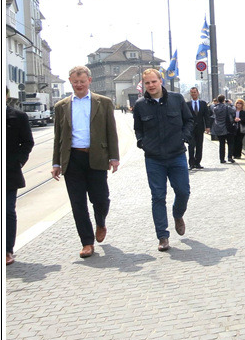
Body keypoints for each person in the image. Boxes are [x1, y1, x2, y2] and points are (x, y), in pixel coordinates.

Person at [51, 66, 120, 258]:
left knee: (101, 199)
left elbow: (111, 131)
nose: (79, 85)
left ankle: (100, 222)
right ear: (70, 82)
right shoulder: (61, 106)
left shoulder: (103, 102)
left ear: (89, 81)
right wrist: (56, 163)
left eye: (82, 81)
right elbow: (58, 137)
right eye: (75, 82)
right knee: (78, 203)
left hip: (96, 157)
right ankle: (87, 242)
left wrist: (114, 157)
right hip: (72, 159)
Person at [133, 68, 193, 252]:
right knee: (158, 197)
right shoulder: (140, 105)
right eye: (147, 83)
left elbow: (189, 121)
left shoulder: (177, 99)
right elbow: (138, 129)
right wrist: (142, 143)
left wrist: (184, 137)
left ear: (161, 81)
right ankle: (162, 236)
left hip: (176, 155)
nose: (151, 85)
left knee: (183, 192)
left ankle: (177, 214)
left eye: (154, 81)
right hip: (154, 158)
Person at [6, 89, 35, 265]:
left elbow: (27, 142)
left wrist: (18, 162)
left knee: (7, 210)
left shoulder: (18, 117)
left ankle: (7, 250)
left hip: (8, 172)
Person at [186, 86, 211, 169]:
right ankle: (191, 163)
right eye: (192, 92)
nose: (193, 94)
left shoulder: (203, 103)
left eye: (195, 92)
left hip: (200, 127)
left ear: (198, 93)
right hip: (190, 128)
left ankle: (197, 162)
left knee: (199, 145)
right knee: (191, 145)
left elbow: (206, 116)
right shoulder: (187, 104)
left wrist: (207, 126)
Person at [209, 95, 236, 163]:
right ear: (224, 100)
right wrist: (231, 104)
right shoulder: (227, 107)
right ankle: (229, 157)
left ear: (218, 100)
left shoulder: (215, 108)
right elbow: (234, 110)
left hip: (219, 127)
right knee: (230, 143)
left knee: (221, 144)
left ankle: (222, 159)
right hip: (227, 127)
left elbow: (212, 106)